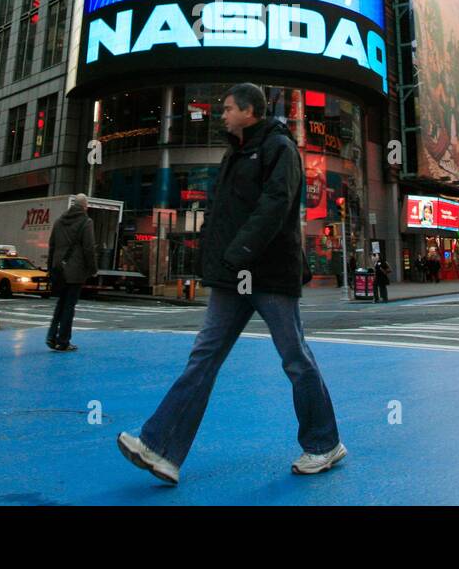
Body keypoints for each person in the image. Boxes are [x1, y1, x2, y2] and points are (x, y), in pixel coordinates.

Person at [118, 83, 345, 485]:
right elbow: (225, 212)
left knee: (295, 358)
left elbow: (275, 206)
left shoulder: (280, 149)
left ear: (250, 111)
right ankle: (162, 450)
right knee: (203, 357)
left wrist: (239, 250)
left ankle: (324, 444)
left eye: (226, 108)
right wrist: (215, 252)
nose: (220, 114)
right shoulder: (235, 152)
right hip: (231, 276)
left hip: (270, 272)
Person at [46, 194, 97, 351]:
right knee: (69, 306)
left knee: (60, 304)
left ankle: (51, 336)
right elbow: (89, 248)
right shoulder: (86, 222)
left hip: (59, 269)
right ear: (84, 206)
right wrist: (92, 269)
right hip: (75, 271)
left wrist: (51, 268)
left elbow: (52, 246)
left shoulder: (59, 221)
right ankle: (63, 340)